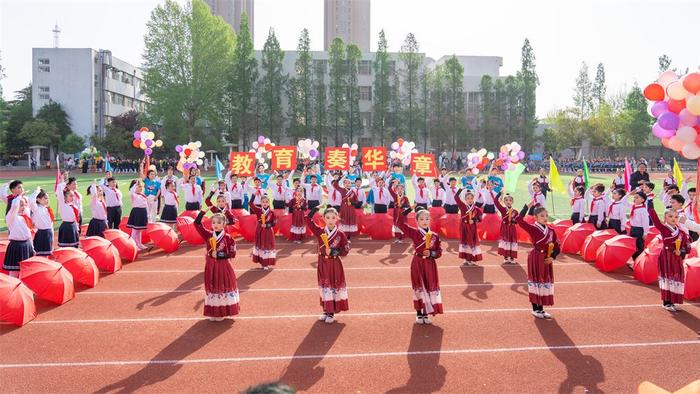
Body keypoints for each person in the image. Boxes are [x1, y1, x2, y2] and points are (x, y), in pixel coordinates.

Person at [396, 207, 443, 324]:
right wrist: (407, 211)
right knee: (418, 287)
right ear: (417, 221)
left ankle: (426, 313)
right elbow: (399, 223)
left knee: (428, 286)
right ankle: (419, 313)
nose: (425, 221)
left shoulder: (435, 236)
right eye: (421, 219)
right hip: (418, 263)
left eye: (427, 218)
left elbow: (439, 251)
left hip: (429, 264)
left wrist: (432, 253)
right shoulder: (415, 232)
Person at [305, 207, 350, 324]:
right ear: (324, 219)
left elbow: (345, 250)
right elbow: (307, 220)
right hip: (323, 263)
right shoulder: (320, 231)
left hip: (334, 263)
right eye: (328, 217)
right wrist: (314, 210)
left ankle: (331, 312)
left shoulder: (341, 234)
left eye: (333, 218)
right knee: (325, 286)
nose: (330, 220)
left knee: (333, 285)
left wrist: (335, 251)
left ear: (337, 219)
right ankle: (326, 310)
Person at [515, 202, 560, 319]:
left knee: (544, 282)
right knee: (536, 281)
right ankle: (535, 309)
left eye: (546, 215)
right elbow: (519, 220)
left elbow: (557, 245)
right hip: (536, 258)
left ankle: (541, 309)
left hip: (546, 259)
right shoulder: (533, 228)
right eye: (542, 216)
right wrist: (526, 207)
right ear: (535, 217)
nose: (545, 218)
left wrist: (552, 257)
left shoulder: (551, 231)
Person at [194, 209, 240, 321]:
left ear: (224, 224)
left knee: (222, 286)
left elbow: (232, 253)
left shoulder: (228, 238)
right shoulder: (209, 235)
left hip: (223, 265)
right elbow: (196, 224)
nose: (215, 225)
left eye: (219, 223)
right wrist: (202, 213)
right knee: (212, 286)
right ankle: (213, 312)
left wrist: (219, 254)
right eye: (213, 222)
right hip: (211, 265)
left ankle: (222, 312)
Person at [647, 204, 689, 312]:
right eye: (670, 216)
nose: (673, 219)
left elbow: (687, 245)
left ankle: (673, 301)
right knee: (667, 278)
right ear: (665, 218)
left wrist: (682, 251)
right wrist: (650, 201)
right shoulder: (663, 228)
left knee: (676, 278)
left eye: (675, 217)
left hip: (677, 259)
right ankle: (666, 302)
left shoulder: (681, 232)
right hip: (666, 257)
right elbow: (654, 216)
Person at [3, 197, 34, 278]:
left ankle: (21, 288)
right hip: (16, 246)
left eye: (23, 205)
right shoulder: (11, 217)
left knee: (25, 271)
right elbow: (14, 207)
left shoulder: (25, 217)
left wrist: (32, 247)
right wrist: (18, 197)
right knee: (14, 272)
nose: (23, 207)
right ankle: (12, 288)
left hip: (26, 245)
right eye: (21, 205)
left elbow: (28, 234)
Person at [455, 189, 483, 266]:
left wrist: (474, 221)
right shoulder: (463, 206)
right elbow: (456, 197)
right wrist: (460, 190)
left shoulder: (476, 209)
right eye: (468, 198)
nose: (470, 200)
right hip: (464, 227)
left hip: (472, 228)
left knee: (472, 241)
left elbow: (480, 219)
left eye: (471, 198)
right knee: (465, 241)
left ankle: (473, 258)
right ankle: (466, 258)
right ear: (465, 199)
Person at [249, 196, 277, 270]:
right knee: (261, 245)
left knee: (267, 246)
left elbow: (274, 223)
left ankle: (266, 263)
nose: (265, 203)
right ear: (260, 203)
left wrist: (267, 225)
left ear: (269, 203)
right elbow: (250, 204)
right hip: (260, 230)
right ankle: (261, 262)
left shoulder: (272, 212)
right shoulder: (258, 210)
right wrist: (253, 195)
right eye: (263, 202)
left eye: (266, 202)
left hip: (268, 231)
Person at [494, 193, 519, 264]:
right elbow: (495, 201)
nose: (508, 202)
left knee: (512, 241)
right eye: (506, 200)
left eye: (510, 200)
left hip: (512, 229)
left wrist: (513, 221)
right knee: (505, 241)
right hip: (505, 228)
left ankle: (512, 257)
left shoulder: (515, 211)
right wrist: (499, 194)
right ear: (504, 202)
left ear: (512, 202)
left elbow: (517, 221)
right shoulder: (503, 209)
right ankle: (506, 257)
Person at [29, 188, 54, 256]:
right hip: (41, 234)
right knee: (40, 255)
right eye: (45, 198)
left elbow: (51, 224)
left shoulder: (47, 209)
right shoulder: (36, 209)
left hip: (48, 233)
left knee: (48, 254)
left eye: (48, 198)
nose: (47, 200)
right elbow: (31, 201)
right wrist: (36, 191)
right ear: (38, 199)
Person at [627, 191, 650, 263]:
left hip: (639, 230)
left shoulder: (643, 210)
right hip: (633, 228)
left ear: (642, 200)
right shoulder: (634, 206)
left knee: (639, 246)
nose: (634, 199)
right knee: (632, 245)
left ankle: (639, 261)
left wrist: (645, 233)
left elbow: (646, 222)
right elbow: (624, 202)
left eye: (637, 197)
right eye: (634, 197)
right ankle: (635, 261)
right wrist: (628, 194)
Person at [127, 180, 150, 250]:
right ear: (135, 187)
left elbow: (146, 205)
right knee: (135, 230)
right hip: (137, 212)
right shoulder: (134, 195)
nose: (141, 188)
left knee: (139, 230)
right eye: (139, 187)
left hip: (143, 212)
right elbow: (131, 191)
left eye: (142, 187)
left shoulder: (143, 195)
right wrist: (135, 185)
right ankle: (134, 245)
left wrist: (148, 215)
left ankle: (139, 243)